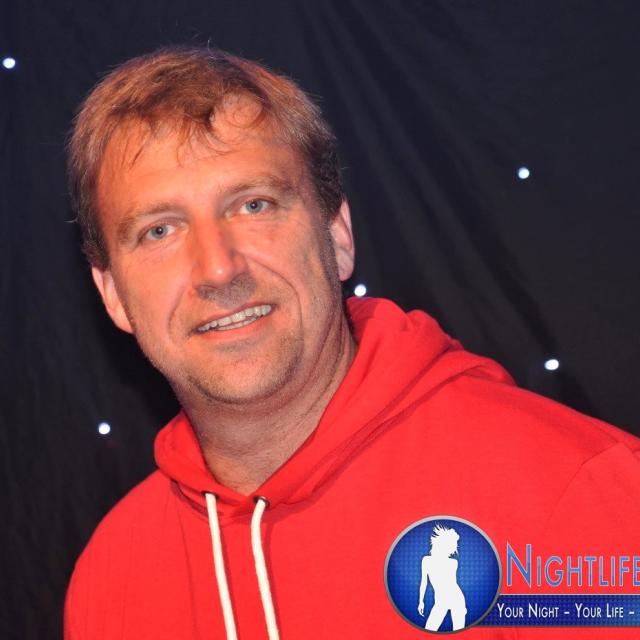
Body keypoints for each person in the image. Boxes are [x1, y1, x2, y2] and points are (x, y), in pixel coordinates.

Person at [65, 46, 640, 639]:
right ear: (113, 294)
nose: (217, 268)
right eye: (159, 230)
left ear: (338, 236)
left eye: (254, 205)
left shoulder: (577, 491)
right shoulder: (110, 578)